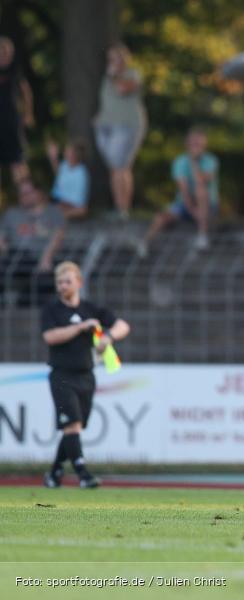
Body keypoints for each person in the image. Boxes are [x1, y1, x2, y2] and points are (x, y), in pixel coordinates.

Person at [41, 261, 130, 489]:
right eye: (59, 282)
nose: (63, 286)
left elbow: (123, 326)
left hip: (86, 375)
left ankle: (54, 473)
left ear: (79, 283)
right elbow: (50, 337)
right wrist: (80, 327)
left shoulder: (90, 309)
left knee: (75, 427)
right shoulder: (52, 310)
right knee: (72, 424)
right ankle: (83, 474)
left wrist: (108, 337)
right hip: (62, 375)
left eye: (67, 282)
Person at [140, 128, 218, 254]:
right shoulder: (180, 162)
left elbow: (201, 180)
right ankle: (144, 243)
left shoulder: (210, 160)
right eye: (193, 142)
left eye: (199, 142)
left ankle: (202, 235)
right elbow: (183, 189)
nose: (196, 145)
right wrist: (193, 211)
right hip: (185, 205)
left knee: (201, 190)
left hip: (208, 205)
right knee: (161, 217)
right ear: (187, 143)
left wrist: (194, 162)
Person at [93, 43, 147, 220]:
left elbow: (122, 90)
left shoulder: (132, 75)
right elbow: (108, 101)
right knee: (118, 168)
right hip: (106, 126)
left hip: (127, 126)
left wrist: (114, 75)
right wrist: (99, 117)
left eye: (117, 58)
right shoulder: (106, 78)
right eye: (111, 58)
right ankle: (121, 208)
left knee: (119, 167)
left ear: (124, 59)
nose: (113, 62)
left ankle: (122, 210)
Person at [0, 180, 65, 306]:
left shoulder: (53, 212)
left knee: (47, 281)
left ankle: (21, 302)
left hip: (43, 259)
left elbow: (59, 236)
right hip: (16, 258)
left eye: (28, 192)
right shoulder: (12, 214)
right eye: (22, 194)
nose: (25, 196)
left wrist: (46, 258)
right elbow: (2, 237)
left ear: (39, 193)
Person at [0, 36, 34, 203]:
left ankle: (27, 200)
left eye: (7, 52)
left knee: (18, 162)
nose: (5, 56)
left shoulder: (15, 70)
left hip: (12, 121)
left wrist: (28, 113)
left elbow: (26, 92)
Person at [46, 138, 90, 220]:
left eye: (67, 150)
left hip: (71, 203)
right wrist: (53, 158)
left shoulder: (81, 173)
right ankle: (58, 215)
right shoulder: (65, 165)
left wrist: (65, 203)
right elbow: (58, 173)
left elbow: (78, 199)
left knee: (82, 210)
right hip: (58, 200)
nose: (64, 152)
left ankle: (59, 215)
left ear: (74, 154)